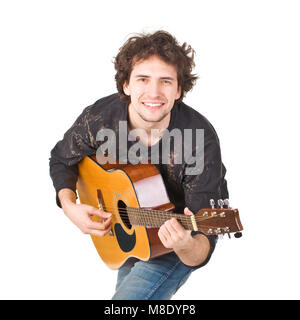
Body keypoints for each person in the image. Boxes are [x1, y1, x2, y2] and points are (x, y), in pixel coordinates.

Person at [49, 30, 228, 300]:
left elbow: (202, 243)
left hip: (174, 239)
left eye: (166, 81)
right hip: (130, 235)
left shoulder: (199, 140)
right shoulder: (100, 117)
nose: (154, 93)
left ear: (179, 90)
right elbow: (63, 158)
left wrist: (185, 244)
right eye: (143, 79)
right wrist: (69, 206)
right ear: (126, 85)